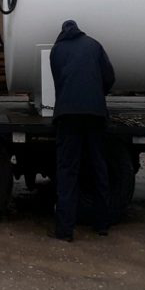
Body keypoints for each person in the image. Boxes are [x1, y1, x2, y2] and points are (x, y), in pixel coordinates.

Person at [49, 20, 116, 242]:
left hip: (68, 116)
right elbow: (109, 77)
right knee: (98, 167)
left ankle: (65, 230)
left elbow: (58, 81)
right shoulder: (94, 45)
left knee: (68, 171)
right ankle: (102, 225)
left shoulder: (57, 51)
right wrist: (97, 94)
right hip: (95, 114)